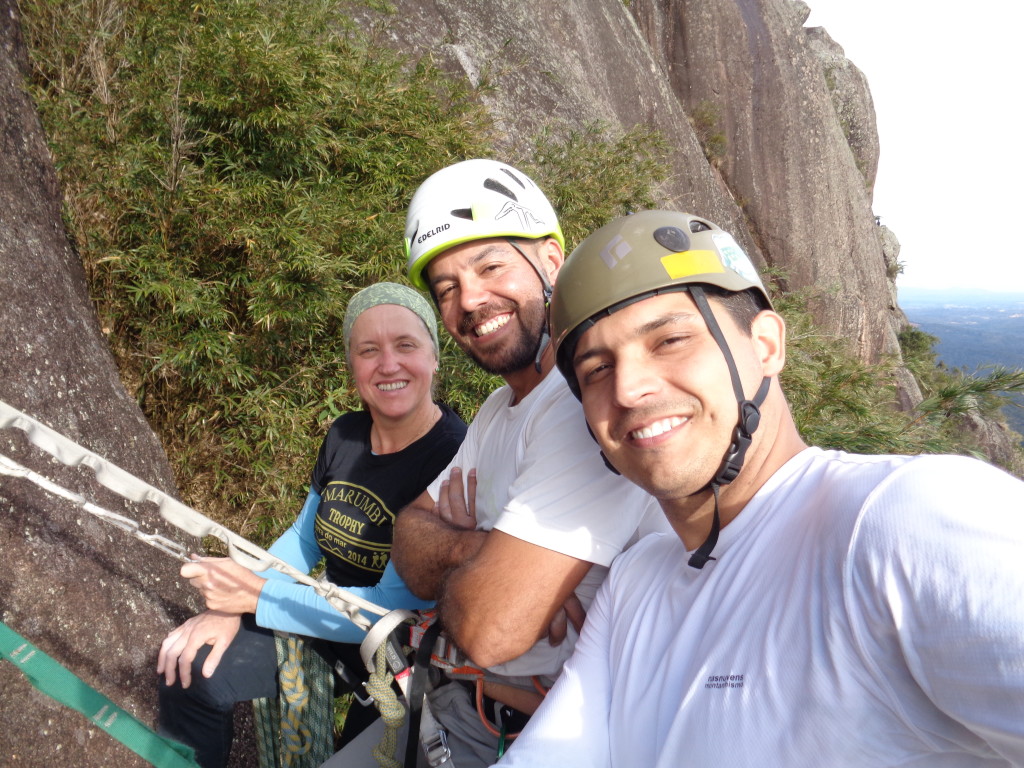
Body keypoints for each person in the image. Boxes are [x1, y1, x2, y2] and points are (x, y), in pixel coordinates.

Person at [495, 210, 1024, 767]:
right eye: (597, 369)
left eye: (670, 339)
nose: (628, 388)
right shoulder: (637, 581)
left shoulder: (899, 517)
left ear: (766, 344)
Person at [346, 159, 665, 767]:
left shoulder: (581, 405)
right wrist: (485, 552)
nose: (469, 299)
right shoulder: (496, 411)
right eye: (445, 289)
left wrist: (480, 564)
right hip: (448, 706)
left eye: (490, 265)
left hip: (529, 733)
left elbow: (492, 628)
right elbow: (406, 539)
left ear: (550, 262)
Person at [156, 282, 468, 768]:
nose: (388, 365)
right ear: (352, 365)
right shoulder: (345, 434)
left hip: (400, 654)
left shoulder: (453, 456)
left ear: (434, 356)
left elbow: (387, 608)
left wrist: (254, 598)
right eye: (369, 350)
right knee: (193, 673)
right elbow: (303, 541)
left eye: (406, 345)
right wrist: (234, 604)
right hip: (322, 612)